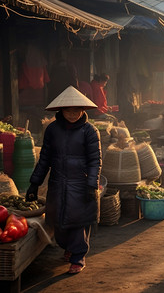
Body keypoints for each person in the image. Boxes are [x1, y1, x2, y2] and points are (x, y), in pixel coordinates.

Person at [25, 86, 101, 274]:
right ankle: (68, 248)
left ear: (83, 110)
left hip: (80, 184)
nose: (73, 114)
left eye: (77, 110)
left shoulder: (90, 131)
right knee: (58, 221)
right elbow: (44, 159)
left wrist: (91, 185)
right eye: (69, 110)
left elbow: (95, 161)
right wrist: (34, 183)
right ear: (61, 110)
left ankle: (78, 256)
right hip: (58, 183)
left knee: (78, 222)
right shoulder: (52, 130)